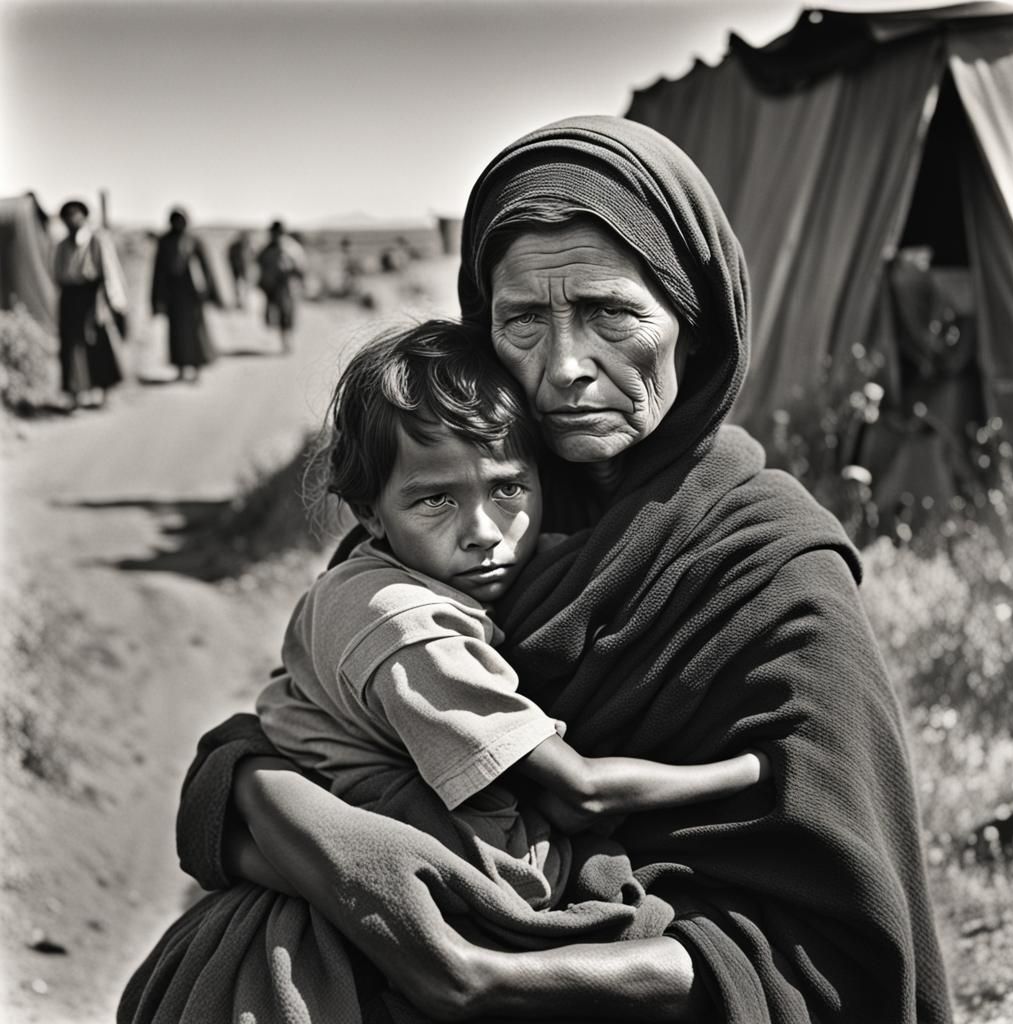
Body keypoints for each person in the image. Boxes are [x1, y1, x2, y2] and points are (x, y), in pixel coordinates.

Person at [120, 117, 951, 1024]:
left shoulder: (769, 574)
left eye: (610, 314)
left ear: (695, 328)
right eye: (522, 319)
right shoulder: (440, 508)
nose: (564, 367)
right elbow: (286, 736)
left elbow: (829, 948)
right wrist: (283, 813)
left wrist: (497, 984)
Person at [256, 317, 771, 911]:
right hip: (480, 869)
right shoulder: (408, 629)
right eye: (435, 500)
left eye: (508, 490)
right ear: (369, 514)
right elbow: (584, 791)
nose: (482, 533)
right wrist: (751, 770)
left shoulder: (356, 581)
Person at [53, 198, 129, 411]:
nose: (71, 219)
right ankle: (75, 394)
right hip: (70, 299)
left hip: (92, 298)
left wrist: (115, 301)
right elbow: (58, 274)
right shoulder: (61, 245)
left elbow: (109, 271)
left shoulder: (96, 240)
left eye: (75, 214)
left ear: (84, 217)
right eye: (67, 215)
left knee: (98, 342)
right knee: (71, 346)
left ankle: (104, 391)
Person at [151, 207, 223, 382]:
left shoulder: (194, 241)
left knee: (196, 332)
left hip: (193, 295)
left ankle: (197, 367)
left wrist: (213, 294)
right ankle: (181, 368)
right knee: (176, 333)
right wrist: (157, 299)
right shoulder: (165, 242)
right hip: (174, 295)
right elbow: (158, 272)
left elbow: (207, 269)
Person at [257, 219, 306, 353]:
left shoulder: (291, 248)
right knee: (275, 315)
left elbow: (301, 267)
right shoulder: (267, 249)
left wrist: (292, 272)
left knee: (287, 314)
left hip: (288, 286)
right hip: (273, 287)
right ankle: (283, 339)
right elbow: (260, 264)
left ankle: (287, 340)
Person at [226, 229, 254, 310]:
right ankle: (239, 301)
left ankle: (245, 301)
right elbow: (229, 256)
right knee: (237, 285)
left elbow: (252, 256)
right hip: (236, 268)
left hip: (244, 268)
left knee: (245, 285)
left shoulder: (247, 245)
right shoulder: (236, 246)